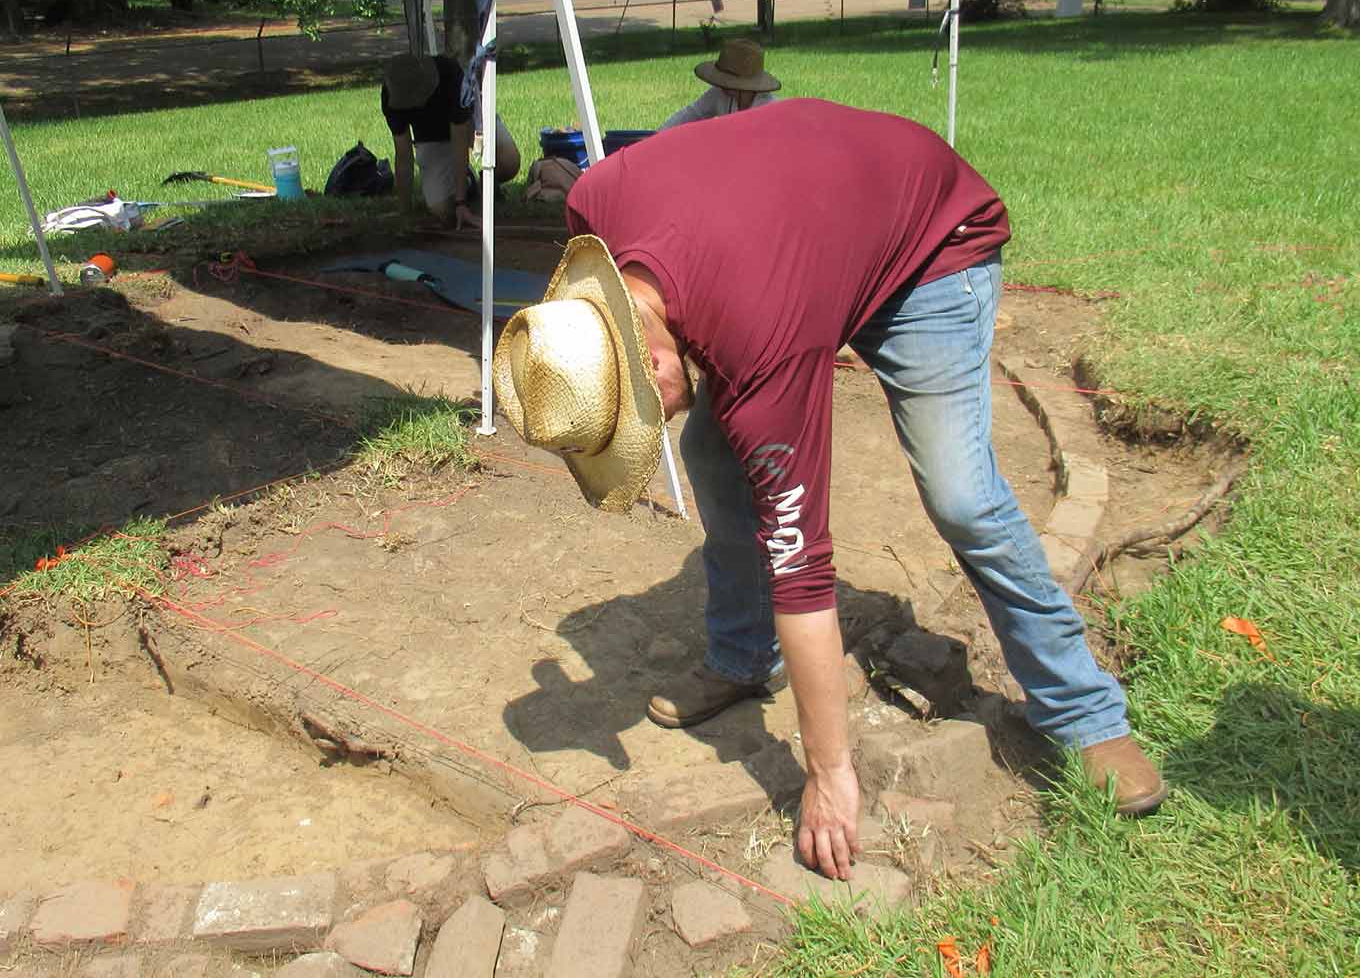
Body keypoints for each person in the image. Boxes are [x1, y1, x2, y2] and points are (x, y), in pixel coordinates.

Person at [492, 99, 1168, 882]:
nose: (659, 420)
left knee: (961, 495)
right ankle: (744, 658)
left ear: (647, 351)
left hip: (928, 242)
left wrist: (828, 773)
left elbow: (803, 573)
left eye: (647, 408)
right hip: (807, 247)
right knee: (714, 457)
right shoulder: (594, 206)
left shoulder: (762, 346)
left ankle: (1085, 715)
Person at [381, 52, 521, 230]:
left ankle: (483, 184)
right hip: (431, 139)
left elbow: (460, 142)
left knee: (509, 161)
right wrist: (404, 211)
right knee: (441, 209)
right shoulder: (392, 91)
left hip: (469, 123)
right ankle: (468, 183)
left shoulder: (452, 76)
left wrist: (460, 203)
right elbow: (403, 157)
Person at [659, 39, 780, 131]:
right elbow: (692, 113)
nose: (721, 83)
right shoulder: (719, 93)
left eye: (727, 80)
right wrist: (658, 136)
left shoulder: (771, 109)